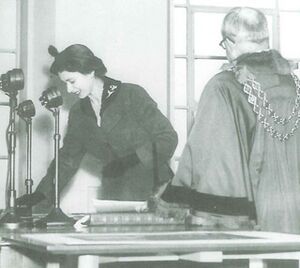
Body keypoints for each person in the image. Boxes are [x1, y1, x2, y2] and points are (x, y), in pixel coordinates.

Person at [156, 7, 300, 233]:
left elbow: (212, 161)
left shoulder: (223, 86)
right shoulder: (293, 84)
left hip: (254, 222)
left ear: (230, 43)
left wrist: (172, 197)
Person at [17, 44, 178, 211]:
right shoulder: (78, 113)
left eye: (71, 81)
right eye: (65, 83)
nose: (69, 89)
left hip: (157, 193)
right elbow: (67, 160)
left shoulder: (131, 95)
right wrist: (41, 194)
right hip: (115, 197)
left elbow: (168, 138)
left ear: (90, 72)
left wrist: (131, 160)